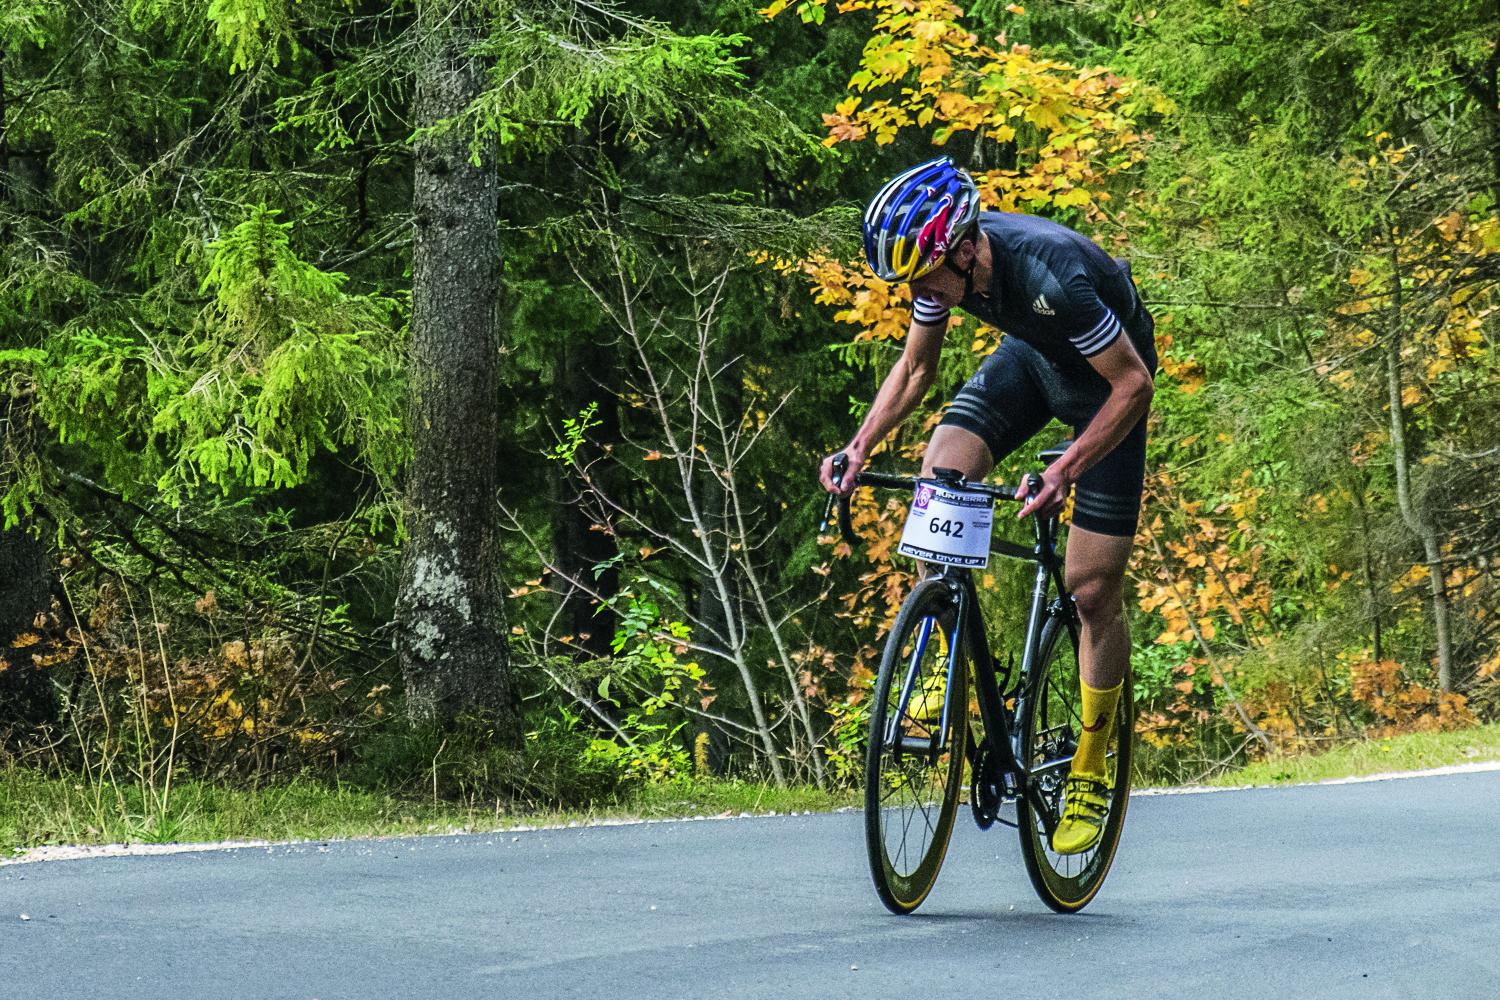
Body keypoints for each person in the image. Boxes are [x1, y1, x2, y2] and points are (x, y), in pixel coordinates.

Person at [819, 157, 1157, 855]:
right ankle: (942, 654)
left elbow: (1134, 386)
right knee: (941, 474)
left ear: (968, 249)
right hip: (1034, 363)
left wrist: (1066, 467)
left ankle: (1091, 768)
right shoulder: (943, 266)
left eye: (925, 278)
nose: (921, 292)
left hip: (1108, 390)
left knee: (1091, 590)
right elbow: (916, 369)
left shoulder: (1051, 275)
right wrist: (858, 447)